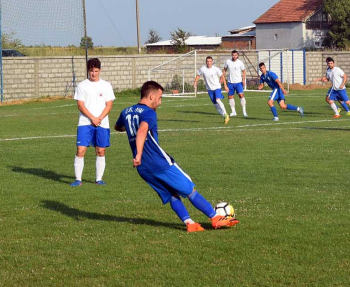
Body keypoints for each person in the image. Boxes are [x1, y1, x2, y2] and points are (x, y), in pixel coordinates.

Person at [114, 81, 239, 233]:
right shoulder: (149, 112)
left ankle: (190, 223)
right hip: (159, 162)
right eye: (159, 98)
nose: (160, 102)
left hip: (143, 168)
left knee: (171, 194)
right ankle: (215, 218)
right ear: (151, 96)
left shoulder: (126, 111)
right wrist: (139, 153)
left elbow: (118, 127)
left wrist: (136, 150)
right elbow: (142, 130)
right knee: (189, 189)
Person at [71, 58, 115, 187]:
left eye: (96, 71)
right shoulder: (82, 85)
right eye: (91, 71)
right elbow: (80, 105)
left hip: (102, 123)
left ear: (100, 70)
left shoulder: (106, 85)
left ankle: (99, 179)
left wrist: (99, 118)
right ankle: (78, 180)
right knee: (81, 150)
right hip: (85, 122)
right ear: (88, 71)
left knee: (100, 151)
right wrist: (92, 118)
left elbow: (109, 105)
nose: (94, 74)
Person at [194, 56, 229, 124]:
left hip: (217, 87)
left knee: (218, 100)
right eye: (207, 61)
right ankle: (225, 116)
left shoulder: (216, 69)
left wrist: (225, 85)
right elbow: (198, 75)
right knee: (216, 106)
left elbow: (222, 76)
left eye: (210, 61)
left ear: (212, 62)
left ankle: (226, 113)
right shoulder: (203, 69)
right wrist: (195, 82)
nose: (209, 63)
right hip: (209, 89)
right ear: (206, 62)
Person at [223, 50, 248, 117]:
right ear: (231, 55)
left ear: (237, 56)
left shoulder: (240, 63)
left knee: (241, 95)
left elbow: (244, 71)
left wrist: (243, 79)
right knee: (230, 96)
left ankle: (244, 111)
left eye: (235, 55)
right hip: (230, 82)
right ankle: (233, 111)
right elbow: (224, 70)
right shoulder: (228, 61)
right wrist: (222, 77)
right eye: (233, 55)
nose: (234, 56)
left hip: (238, 82)